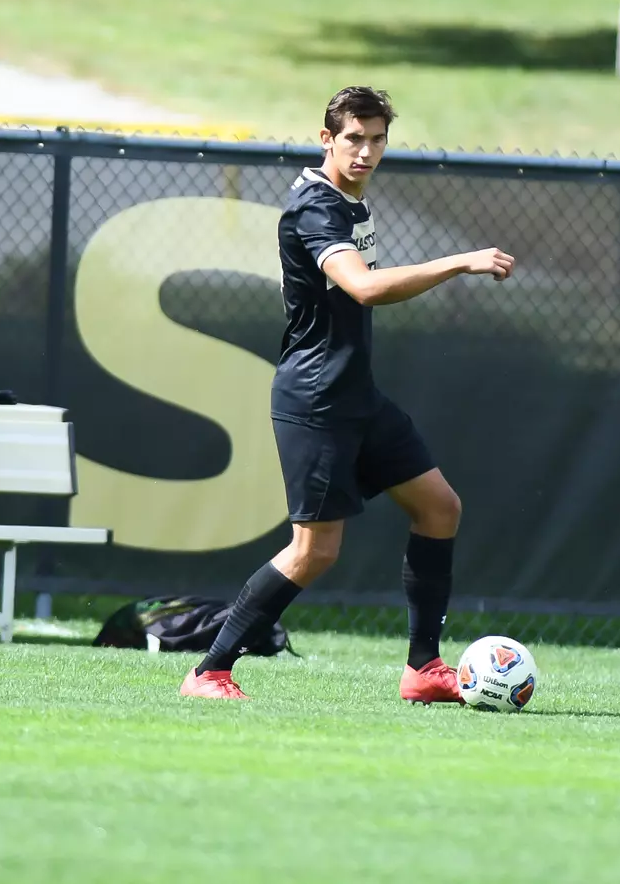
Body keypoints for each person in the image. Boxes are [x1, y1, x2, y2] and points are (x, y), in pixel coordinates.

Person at [180, 87, 516, 703]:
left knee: (439, 507)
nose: (365, 151)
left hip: (356, 395)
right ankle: (208, 670)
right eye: (353, 138)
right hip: (316, 400)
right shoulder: (316, 208)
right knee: (314, 551)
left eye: (377, 139)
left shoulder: (350, 201)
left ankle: (422, 669)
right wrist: (459, 261)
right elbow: (361, 288)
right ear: (326, 139)